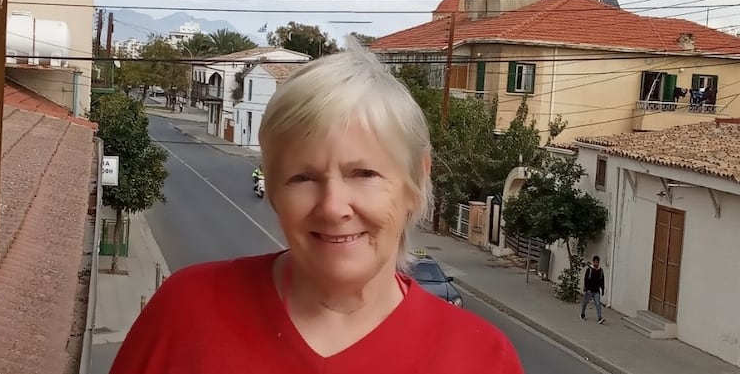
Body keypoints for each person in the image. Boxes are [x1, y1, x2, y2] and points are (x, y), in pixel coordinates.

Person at [109, 40, 524, 374]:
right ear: (271, 188)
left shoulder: (482, 359)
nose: (333, 207)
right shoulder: (184, 313)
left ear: (415, 182)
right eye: (302, 178)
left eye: (363, 174)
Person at [580, 255, 606, 324]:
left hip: (596, 290)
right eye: (595, 262)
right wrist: (587, 288)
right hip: (589, 290)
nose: (596, 264)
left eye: (598, 262)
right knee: (585, 302)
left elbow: (602, 281)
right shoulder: (589, 270)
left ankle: (599, 318)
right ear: (593, 262)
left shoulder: (600, 271)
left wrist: (602, 289)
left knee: (598, 304)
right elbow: (586, 280)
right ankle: (582, 314)